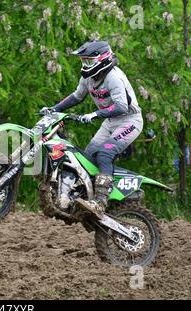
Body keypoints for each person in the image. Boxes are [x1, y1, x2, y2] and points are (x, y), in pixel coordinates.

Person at [40, 40, 143, 217]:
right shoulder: (88, 77)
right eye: (84, 61)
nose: (85, 65)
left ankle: (100, 203)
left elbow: (122, 107)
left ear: (101, 60)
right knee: (87, 158)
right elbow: (76, 97)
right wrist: (54, 109)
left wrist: (95, 114)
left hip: (129, 120)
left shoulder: (114, 77)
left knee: (105, 153)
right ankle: (84, 197)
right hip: (111, 121)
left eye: (89, 61)